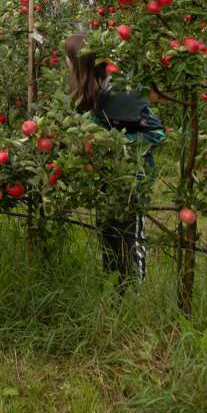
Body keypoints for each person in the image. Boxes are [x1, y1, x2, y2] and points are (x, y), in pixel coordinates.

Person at [63, 32, 164, 286]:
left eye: (67, 59)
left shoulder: (121, 95)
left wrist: (117, 143)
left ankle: (136, 293)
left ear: (78, 63)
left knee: (130, 237)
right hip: (107, 175)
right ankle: (114, 288)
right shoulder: (92, 93)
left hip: (133, 178)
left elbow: (157, 133)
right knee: (107, 233)